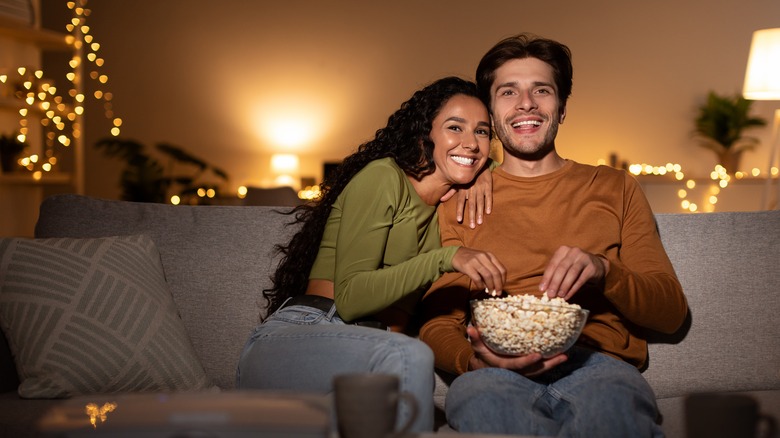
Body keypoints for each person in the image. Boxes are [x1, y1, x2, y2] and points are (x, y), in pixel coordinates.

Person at [419, 34, 689, 437]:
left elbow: (670, 315)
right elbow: (437, 319)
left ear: (561, 108)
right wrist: (473, 363)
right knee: (486, 410)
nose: (526, 103)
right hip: (495, 371)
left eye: (541, 90)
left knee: (614, 418)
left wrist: (604, 270)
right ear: (491, 113)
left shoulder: (615, 187)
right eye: (508, 91)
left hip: (598, 365)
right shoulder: (458, 200)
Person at [236, 76, 507, 433]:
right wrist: (448, 257)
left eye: (483, 132)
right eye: (455, 127)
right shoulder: (384, 178)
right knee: (409, 355)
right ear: (424, 133)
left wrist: (488, 170)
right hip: (301, 336)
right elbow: (350, 300)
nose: (471, 143)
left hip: (366, 351)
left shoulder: (447, 207)